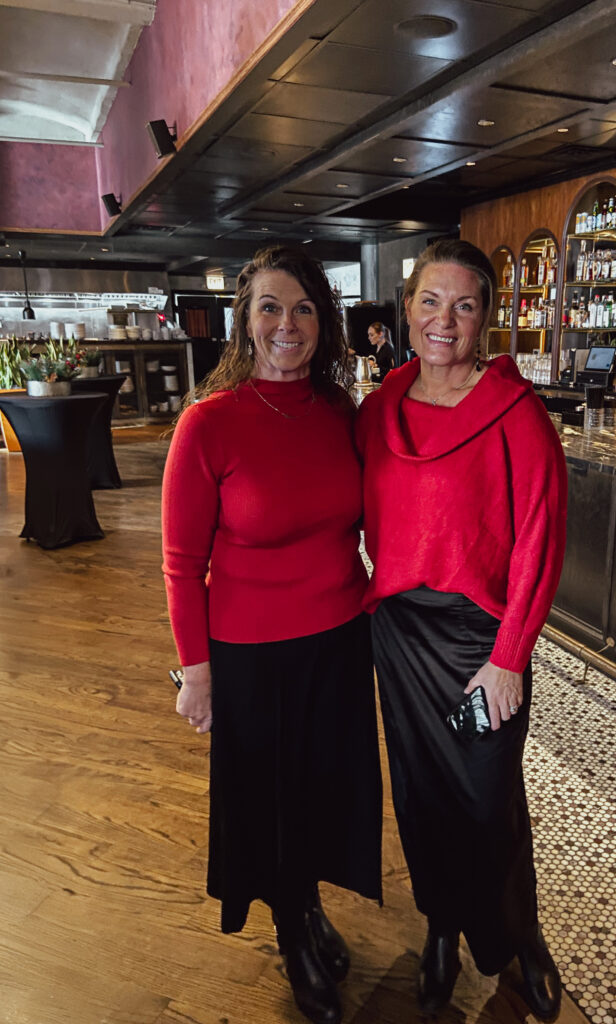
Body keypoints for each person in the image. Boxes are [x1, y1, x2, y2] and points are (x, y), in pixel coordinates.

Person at [162, 246, 382, 1024]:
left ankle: (309, 904)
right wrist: (196, 674)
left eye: (303, 309)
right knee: (273, 801)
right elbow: (180, 565)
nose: (287, 325)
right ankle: (292, 928)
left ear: (324, 323)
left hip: (340, 642)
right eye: (269, 307)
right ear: (244, 322)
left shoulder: (341, 413)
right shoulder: (208, 422)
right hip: (251, 655)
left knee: (324, 791)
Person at [356, 239, 568, 1020]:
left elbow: (541, 541)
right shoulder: (378, 410)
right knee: (421, 796)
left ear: (486, 319)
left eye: (465, 305)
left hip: (481, 643)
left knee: (488, 801)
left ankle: (521, 937)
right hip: (401, 637)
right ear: (406, 310)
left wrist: (509, 657)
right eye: (431, 301)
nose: (445, 320)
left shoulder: (517, 414)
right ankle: (441, 925)